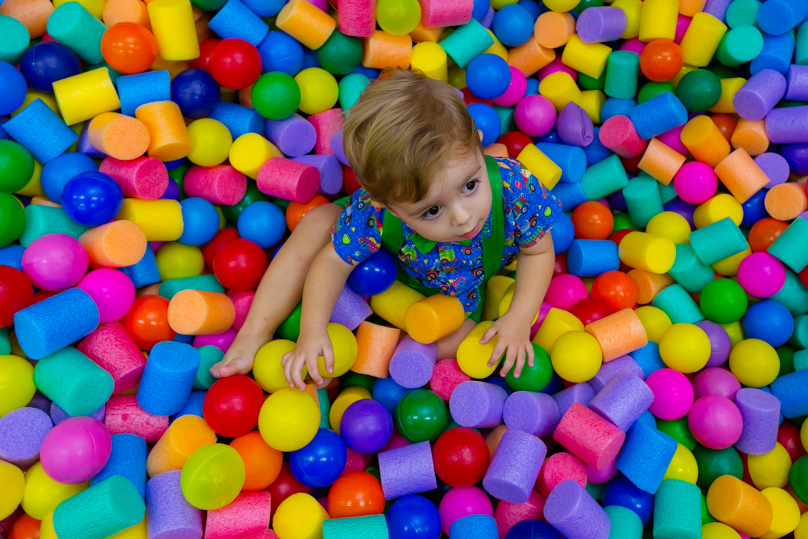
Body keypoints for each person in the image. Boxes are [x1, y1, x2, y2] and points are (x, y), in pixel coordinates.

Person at [211, 69, 561, 389]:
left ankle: (371, 354)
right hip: (389, 270)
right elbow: (333, 262)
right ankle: (256, 331)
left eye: (470, 186)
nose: (462, 217)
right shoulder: (373, 212)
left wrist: (518, 319)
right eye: (432, 210)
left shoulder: (515, 186)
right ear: (383, 203)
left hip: (457, 295)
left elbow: (539, 249)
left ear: (478, 145)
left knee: (462, 342)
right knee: (319, 221)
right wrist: (312, 330)